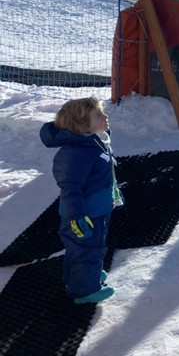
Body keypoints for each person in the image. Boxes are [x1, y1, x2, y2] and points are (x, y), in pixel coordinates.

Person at [40, 97, 123, 304]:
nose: (105, 117)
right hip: (85, 214)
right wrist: (78, 216)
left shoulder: (94, 142)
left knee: (79, 247)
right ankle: (85, 290)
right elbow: (70, 187)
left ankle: (76, 278)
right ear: (81, 126)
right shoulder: (76, 153)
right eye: (98, 115)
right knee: (89, 249)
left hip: (97, 208)